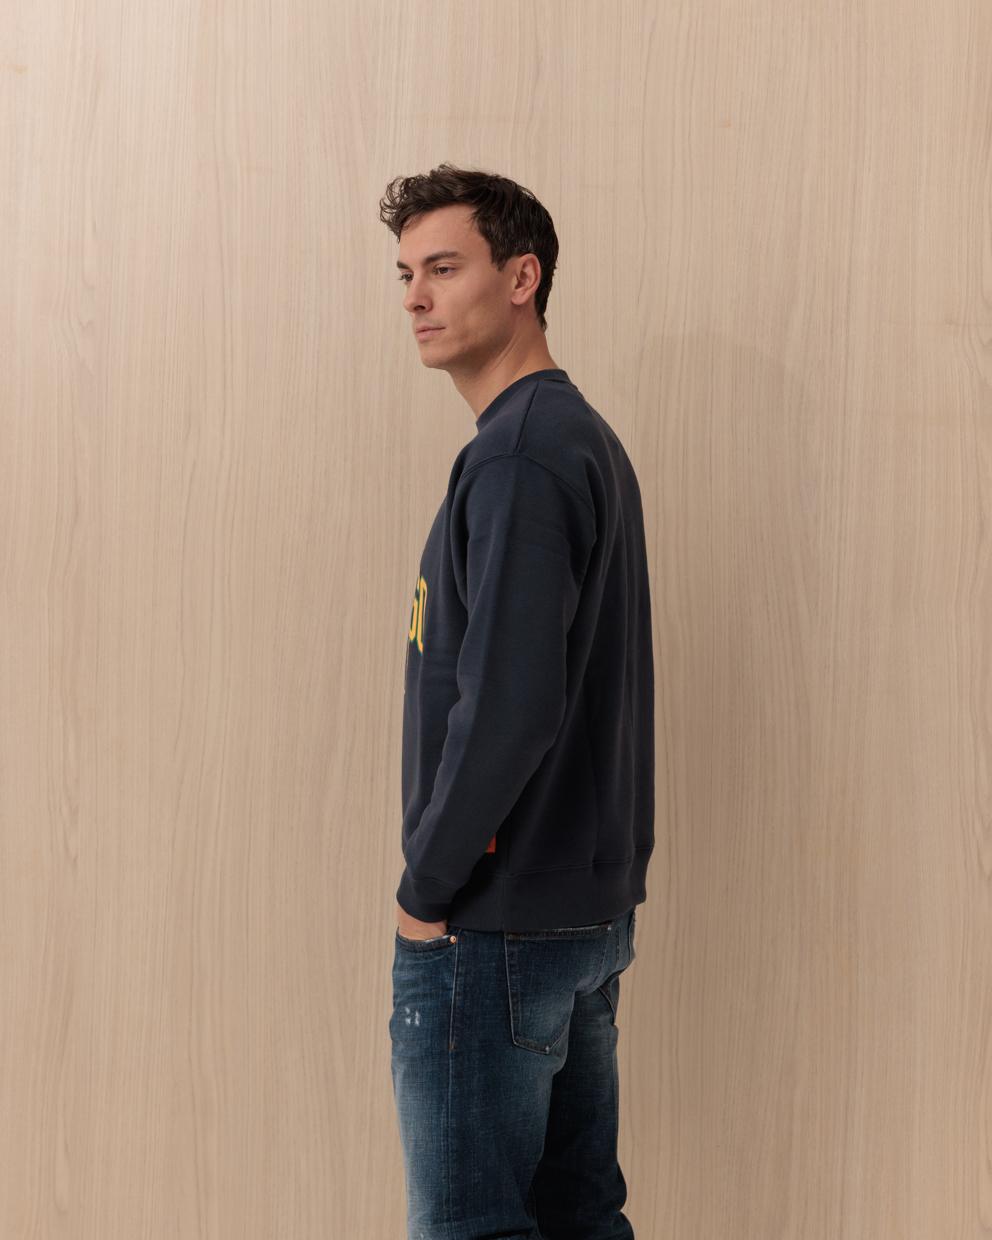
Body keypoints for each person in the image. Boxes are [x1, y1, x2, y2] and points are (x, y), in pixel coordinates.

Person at [379, 162, 654, 1240]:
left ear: (522, 278)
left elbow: (510, 704)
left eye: (444, 268)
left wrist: (427, 888)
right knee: (579, 1218)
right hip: (574, 915)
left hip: (496, 925)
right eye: (405, 273)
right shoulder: (566, 437)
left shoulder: (520, 456)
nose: (415, 297)